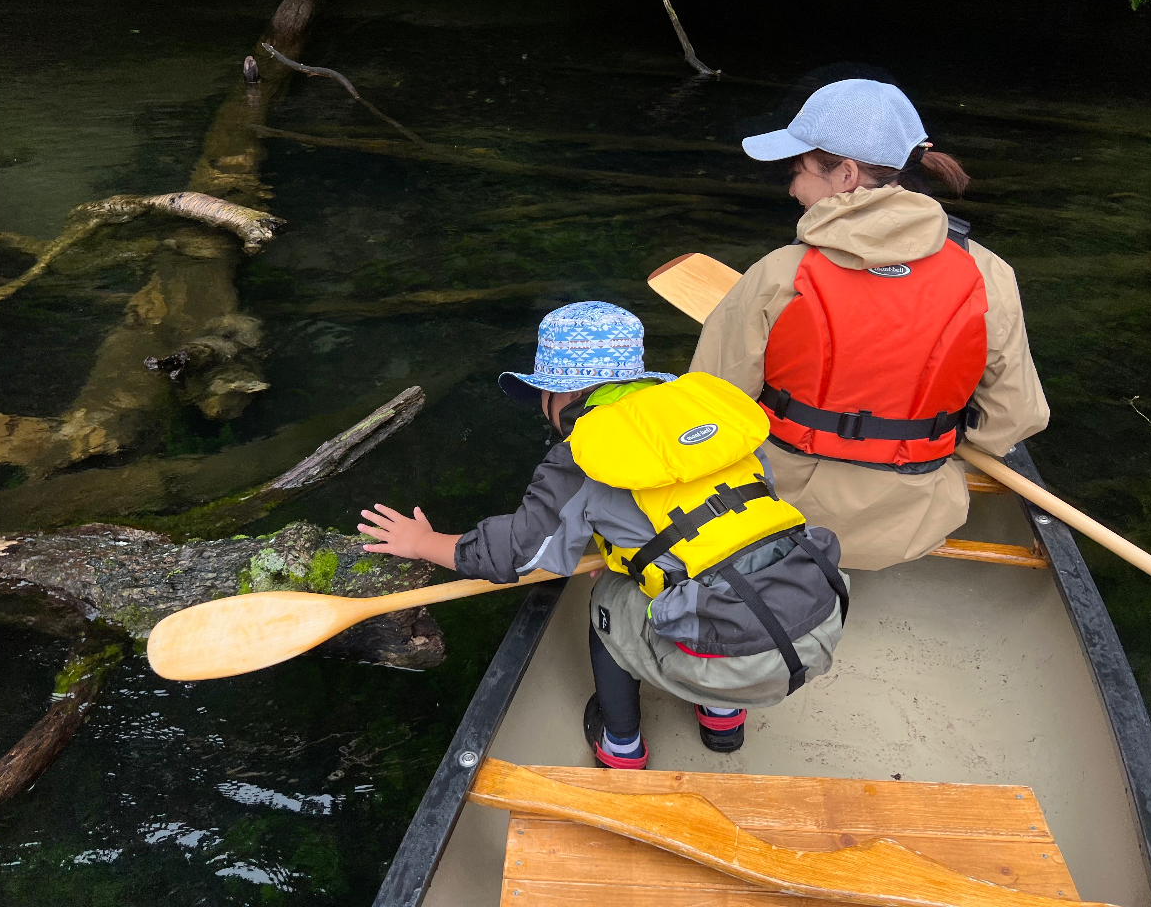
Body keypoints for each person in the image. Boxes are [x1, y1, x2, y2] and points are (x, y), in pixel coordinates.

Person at [358, 301, 848, 770]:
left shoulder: (582, 454)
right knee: (719, 568)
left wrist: (421, 542)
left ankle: (621, 745)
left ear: (563, 395)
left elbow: (515, 555)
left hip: (737, 665)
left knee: (606, 599)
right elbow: (735, 511)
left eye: (542, 395)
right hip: (814, 622)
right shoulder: (708, 413)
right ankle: (723, 722)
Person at [690, 78, 1050, 571]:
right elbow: (1017, 417)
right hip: (917, 521)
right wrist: (930, 438)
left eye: (797, 170)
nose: (792, 187)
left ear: (846, 174)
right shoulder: (988, 273)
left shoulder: (780, 273)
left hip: (785, 516)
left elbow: (711, 410)